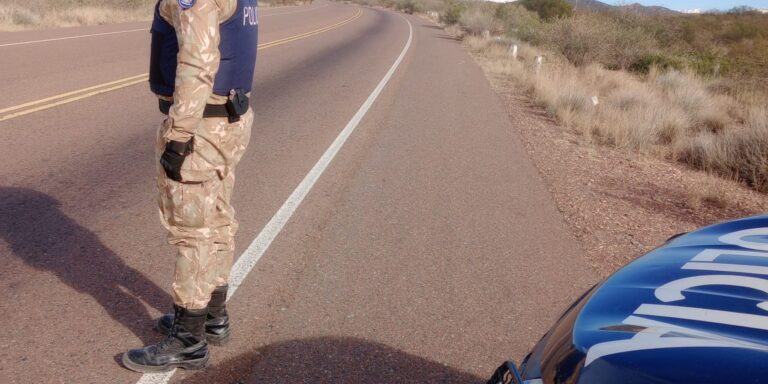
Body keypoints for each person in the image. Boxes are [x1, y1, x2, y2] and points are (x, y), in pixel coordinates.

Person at [122, 0, 258, 373]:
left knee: (190, 229)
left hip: (201, 127)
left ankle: (188, 340)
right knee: (216, 218)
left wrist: (179, 137)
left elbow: (198, 63)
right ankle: (212, 317)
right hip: (228, 121)